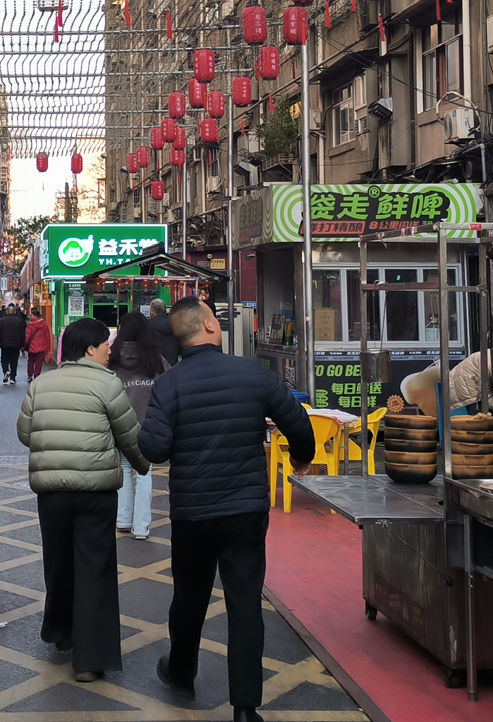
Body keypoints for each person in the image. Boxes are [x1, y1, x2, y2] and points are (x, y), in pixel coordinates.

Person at [139, 297, 313, 722]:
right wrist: (300, 457)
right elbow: (297, 422)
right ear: (209, 327)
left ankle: (181, 673)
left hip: (192, 513)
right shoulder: (252, 373)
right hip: (245, 512)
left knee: (189, 598)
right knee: (245, 604)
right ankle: (245, 708)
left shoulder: (168, 384)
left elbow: (154, 449)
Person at [17, 317, 148, 682]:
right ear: (90, 348)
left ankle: (62, 633)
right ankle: (90, 660)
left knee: (58, 563)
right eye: (106, 344)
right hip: (95, 492)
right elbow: (129, 436)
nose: (110, 350)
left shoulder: (41, 384)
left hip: (52, 493)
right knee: (95, 570)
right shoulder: (108, 384)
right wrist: (142, 465)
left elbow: (25, 433)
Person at [110, 312, 166, 540]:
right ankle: (141, 527)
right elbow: (167, 388)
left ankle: (123, 520)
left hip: (120, 425)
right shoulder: (155, 358)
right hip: (148, 426)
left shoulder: (112, 357)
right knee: (144, 472)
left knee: (123, 469)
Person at [0, 303, 28, 385]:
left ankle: (6, 371)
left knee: (4, 359)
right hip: (16, 345)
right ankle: (13, 378)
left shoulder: (2, 321)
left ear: (7, 311)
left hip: (4, 344)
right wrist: (22, 344)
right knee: (14, 361)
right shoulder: (19, 321)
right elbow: (22, 334)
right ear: (15, 312)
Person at [142, 298, 181, 370]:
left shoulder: (146, 326)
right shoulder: (174, 324)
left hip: (153, 366)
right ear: (165, 311)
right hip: (172, 366)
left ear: (151, 313)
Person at [25, 308, 52, 380]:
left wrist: (24, 345)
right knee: (39, 362)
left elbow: (27, 337)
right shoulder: (44, 324)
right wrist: (48, 348)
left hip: (32, 347)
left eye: (31, 315)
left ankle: (30, 375)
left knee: (31, 361)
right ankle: (37, 376)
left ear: (34, 316)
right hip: (42, 347)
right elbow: (47, 336)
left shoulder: (30, 325)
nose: (31, 316)